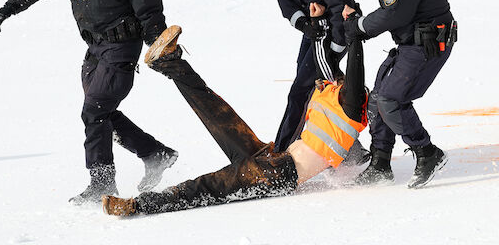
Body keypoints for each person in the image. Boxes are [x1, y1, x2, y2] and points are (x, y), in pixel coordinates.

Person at [0, 0, 178, 204]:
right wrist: (10, 8)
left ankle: (102, 182)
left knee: (94, 111)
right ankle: (155, 154)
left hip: (121, 46)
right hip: (94, 47)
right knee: (100, 114)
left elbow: (149, 7)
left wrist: (160, 45)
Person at [101, 17, 369, 216]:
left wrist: (356, 35)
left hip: (278, 175)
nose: (344, 83)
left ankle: (136, 205)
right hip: (272, 155)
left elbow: (356, 74)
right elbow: (329, 61)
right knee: (217, 113)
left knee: (208, 187)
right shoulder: (335, 92)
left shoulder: (350, 109)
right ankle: (169, 61)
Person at [343, 0, 457, 189]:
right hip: (412, 42)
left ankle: (428, 152)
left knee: (391, 100)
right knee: (379, 99)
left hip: (427, 44)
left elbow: (395, 13)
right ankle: (381, 164)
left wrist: (360, 27)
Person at [273, 0, 360, 153]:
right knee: (315, 91)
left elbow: (339, 6)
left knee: (302, 90)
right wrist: (301, 22)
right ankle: (353, 153)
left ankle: (282, 151)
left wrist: (334, 50)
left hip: (332, 34)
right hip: (311, 30)